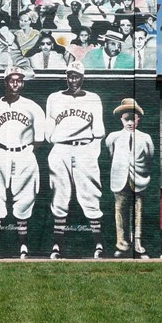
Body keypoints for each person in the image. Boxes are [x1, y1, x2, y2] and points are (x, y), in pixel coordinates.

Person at [45, 62, 105, 259]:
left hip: (84, 148)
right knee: (60, 196)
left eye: (76, 76)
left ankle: (99, 245)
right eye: (70, 76)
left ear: (82, 77)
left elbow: (99, 131)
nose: (73, 80)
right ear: (66, 77)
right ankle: (57, 246)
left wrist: (91, 153)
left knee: (90, 196)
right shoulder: (54, 97)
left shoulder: (93, 98)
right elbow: (48, 130)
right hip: (60, 148)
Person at [0, 66, 46, 259]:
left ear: (23, 83)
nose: (15, 83)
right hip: (0, 152)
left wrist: (26, 152)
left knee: (25, 200)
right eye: (11, 79)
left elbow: (40, 138)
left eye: (19, 80)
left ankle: (23, 246)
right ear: (5, 82)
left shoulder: (32, 106)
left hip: (23, 152)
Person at [105, 98, 154, 258]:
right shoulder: (113, 137)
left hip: (139, 180)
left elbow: (149, 157)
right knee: (120, 211)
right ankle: (122, 245)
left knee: (138, 212)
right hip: (119, 180)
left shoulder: (146, 138)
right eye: (127, 119)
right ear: (121, 119)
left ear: (139, 118)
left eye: (133, 118)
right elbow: (110, 154)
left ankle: (138, 244)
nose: (130, 122)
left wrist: (140, 172)